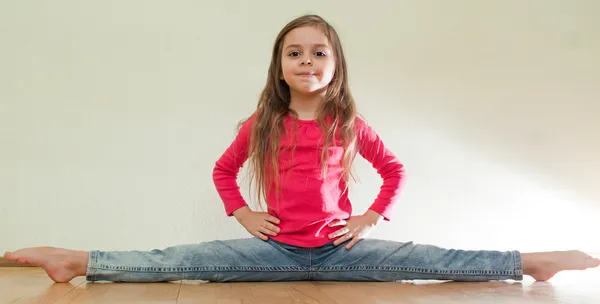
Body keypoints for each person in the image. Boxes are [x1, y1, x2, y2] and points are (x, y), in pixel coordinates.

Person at [4, 14, 599, 284]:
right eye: (295, 52)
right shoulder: (261, 121)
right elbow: (223, 169)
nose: (307, 61)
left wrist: (369, 218)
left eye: (319, 52)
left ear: (335, 63)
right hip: (276, 253)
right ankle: (80, 259)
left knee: (431, 260)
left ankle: (527, 261)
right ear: (280, 64)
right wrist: (241, 212)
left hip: (340, 254)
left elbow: (394, 170)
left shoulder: (349, 122)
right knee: (179, 260)